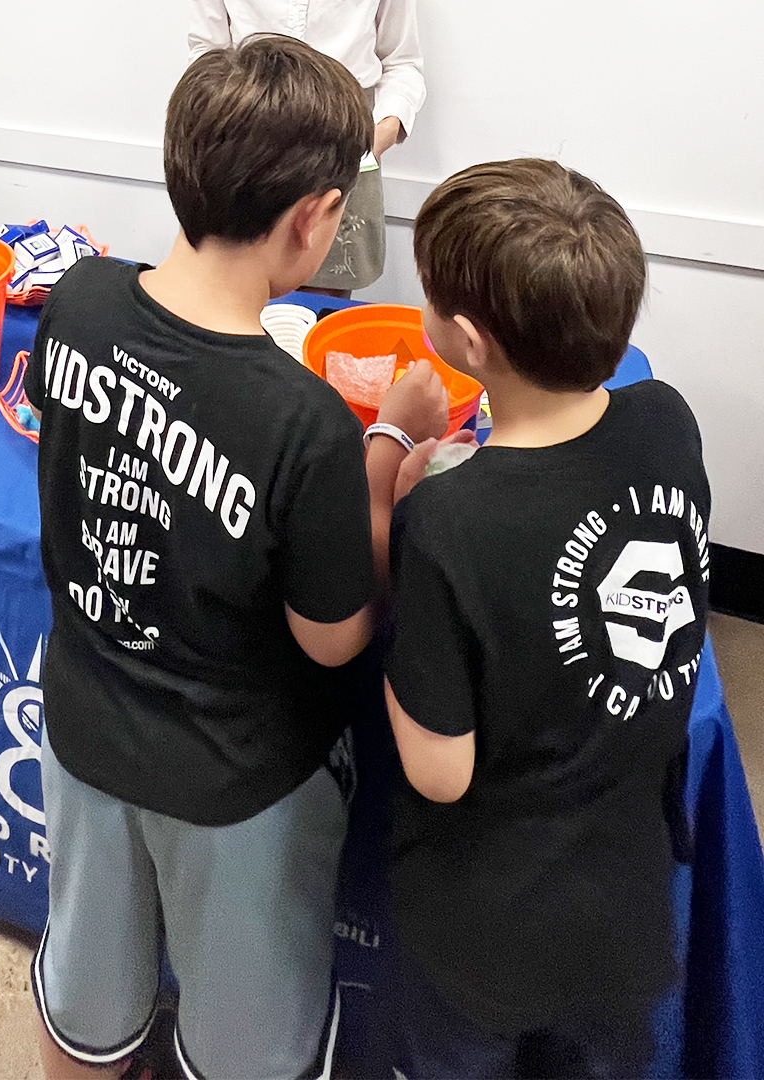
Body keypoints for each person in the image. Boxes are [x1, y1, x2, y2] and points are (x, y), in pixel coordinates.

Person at [23, 35, 448, 1080]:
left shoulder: (77, 298)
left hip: (81, 727)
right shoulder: (299, 418)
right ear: (312, 220)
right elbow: (333, 633)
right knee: (248, 1050)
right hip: (233, 784)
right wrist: (388, 453)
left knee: (86, 1002)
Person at [376, 158, 711, 1078]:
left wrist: (398, 463)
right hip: (629, 905)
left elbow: (439, 772)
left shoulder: (446, 521)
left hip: (487, 934)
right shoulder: (666, 420)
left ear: (470, 343)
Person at [188, 0, 426, 294]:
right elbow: (207, 55)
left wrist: (377, 138)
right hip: (249, 131)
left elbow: (402, 62)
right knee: (235, 286)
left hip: (347, 135)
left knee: (326, 299)